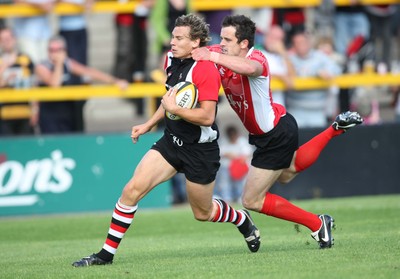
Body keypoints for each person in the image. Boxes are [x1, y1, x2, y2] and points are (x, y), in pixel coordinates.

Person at [72, 14, 260, 267]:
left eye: (179, 38)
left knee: (203, 213)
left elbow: (206, 117)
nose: (172, 41)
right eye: (173, 35)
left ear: (195, 43)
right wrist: (149, 124)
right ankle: (105, 255)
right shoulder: (170, 59)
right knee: (131, 191)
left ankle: (241, 219)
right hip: (171, 141)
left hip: (200, 150)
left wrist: (176, 109)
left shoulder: (205, 69)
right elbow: (169, 100)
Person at [192, 14, 363, 249]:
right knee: (287, 172)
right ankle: (334, 130)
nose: (220, 43)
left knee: (251, 200)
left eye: (227, 39)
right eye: (220, 37)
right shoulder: (223, 52)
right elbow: (196, 50)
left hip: (274, 134)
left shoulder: (256, 57)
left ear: (244, 43)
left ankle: (316, 224)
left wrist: (211, 56)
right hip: (274, 130)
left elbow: (250, 68)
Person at [35, 35, 128, 134]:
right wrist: (59, 63)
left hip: (67, 114)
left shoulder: (68, 63)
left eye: (58, 50)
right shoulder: (42, 66)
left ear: (65, 50)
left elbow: (89, 72)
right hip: (50, 117)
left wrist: (115, 81)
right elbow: (55, 84)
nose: (55, 53)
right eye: (52, 50)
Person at [288, 31, 342, 128]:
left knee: (318, 141)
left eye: (303, 42)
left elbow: (336, 69)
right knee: (298, 141)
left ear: (309, 43)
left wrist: (326, 72)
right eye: (297, 43)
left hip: (317, 110)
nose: (300, 45)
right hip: (295, 110)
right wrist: (316, 72)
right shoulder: (289, 59)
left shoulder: (320, 56)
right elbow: (296, 74)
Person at [0, 27, 37, 135]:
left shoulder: (26, 59)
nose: (6, 42)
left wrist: (35, 109)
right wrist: (6, 65)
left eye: (8, 38)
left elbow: (33, 84)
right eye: (2, 39)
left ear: (14, 39)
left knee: (26, 148)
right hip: (4, 114)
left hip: (24, 112)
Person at [259, 24, 295, 106]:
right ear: (265, 37)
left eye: (278, 39)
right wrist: (281, 77)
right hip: (262, 106)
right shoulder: (257, 53)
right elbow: (257, 75)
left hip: (279, 106)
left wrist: (283, 53)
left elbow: (293, 76)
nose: (274, 41)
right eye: (272, 37)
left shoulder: (283, 56)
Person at [215, 125, 253, 203]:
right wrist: (228, 154)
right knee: (225, 184)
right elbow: (220, 152)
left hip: (240, 168)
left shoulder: (242, 141)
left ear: (236, 134)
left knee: (241, 184)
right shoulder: (224, 141)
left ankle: (240, 197)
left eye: (233, 134)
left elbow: (247, 153)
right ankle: (227, 198)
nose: (232, 136)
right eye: (230, 135)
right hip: (226, 167)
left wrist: (237, 157)